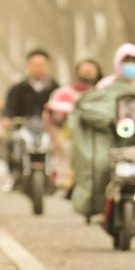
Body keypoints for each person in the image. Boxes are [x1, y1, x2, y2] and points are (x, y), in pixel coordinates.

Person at [44, 59, 103, 195]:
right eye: (84, 70)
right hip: (70, 135)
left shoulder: (103, 92)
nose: (87, 72)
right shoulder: (63, 93)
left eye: (90, 70)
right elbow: (50, 114)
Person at [2, 49, 59, 190]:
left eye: (41, 65)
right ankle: (14, 174)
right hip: (24, 127)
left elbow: (62, 107)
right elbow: (9, 108)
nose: (38, 68)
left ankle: (57, 176)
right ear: (28, 66)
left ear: (47, 66)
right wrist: (7, 119)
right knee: (10, 143)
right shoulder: (18, 88)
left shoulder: (55, 88)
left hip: (48, 129)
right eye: (35, 65)